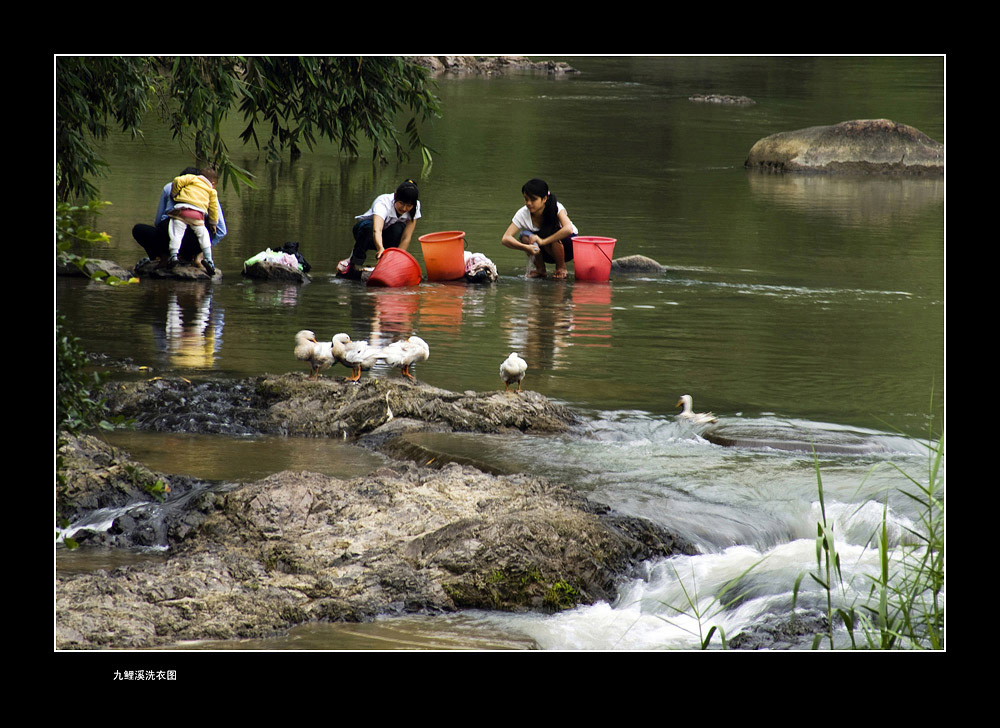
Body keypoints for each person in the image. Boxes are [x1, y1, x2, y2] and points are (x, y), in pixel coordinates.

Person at [132, 167, 228, 272]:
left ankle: (163, 257)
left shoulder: (170, 186)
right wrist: (201, 251)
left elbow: (158, 221)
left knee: (141, 229)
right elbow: (221, 230)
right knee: (207, 231)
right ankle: (197, 259)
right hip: (193, 243)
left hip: (168, 236)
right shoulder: (208, 191)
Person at [339, 180, 421, 280]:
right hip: (367, 233)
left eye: (409, 205)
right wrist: (380, 249)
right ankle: (355, 263)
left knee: (398, 228)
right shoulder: (383, 202)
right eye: (401, 203)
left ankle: (388, 264)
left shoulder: (415, 207)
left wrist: (396, 259)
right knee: (368, 227)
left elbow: (406, 237)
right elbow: (376, 230)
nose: (404, 208)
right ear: (395, 197)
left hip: (388, 236)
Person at [501, 178, 577, 279]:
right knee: (524, 236)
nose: (528, 203)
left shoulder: (556, 207)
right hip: (545, 251)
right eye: (526, 199)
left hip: (569, 247)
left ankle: (561, 268)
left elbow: (568, 229)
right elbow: (506, 239)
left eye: (533, 199)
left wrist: (542, 241)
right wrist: (525, 247)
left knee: (552, 234)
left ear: (544, 199)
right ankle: (540, 269)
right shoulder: (523, 213)